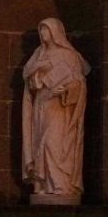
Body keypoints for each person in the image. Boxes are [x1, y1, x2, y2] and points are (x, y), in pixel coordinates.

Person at [21, 17, 91, 204]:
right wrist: (37, 77)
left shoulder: (69, 55)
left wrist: (66, 90)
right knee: (40, 144)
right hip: (42, 105)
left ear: (55, 32)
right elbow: (30, 83)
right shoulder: (38, 54)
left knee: (54, 142)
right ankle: (42, 184)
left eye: (45, 29)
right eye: (41, 30)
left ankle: (61, 185)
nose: (42, 33)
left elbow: (79, 83)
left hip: (61, 107)